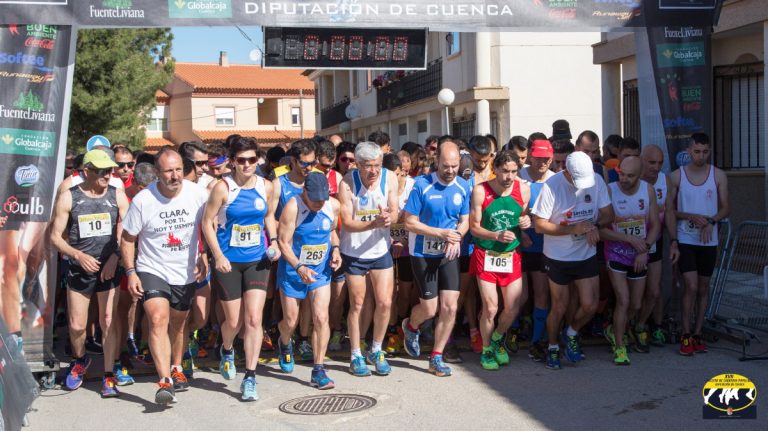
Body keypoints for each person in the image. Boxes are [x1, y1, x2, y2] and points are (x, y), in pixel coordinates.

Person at [121, 148, 209, 405]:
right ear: (158, 173)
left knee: (179, 323)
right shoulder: (143, 200)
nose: (175, 176)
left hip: (184, 269)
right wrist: (131, 272)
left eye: (178, 169)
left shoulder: (198, 194)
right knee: (158, 319)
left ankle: (176, 367)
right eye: (168, 171)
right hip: (152, 268)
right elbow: (127, 240)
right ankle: (164, 381)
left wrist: (203, 255)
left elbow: (209, 225)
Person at [202, 138, 281, 401]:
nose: (246, 165)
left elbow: (269, 217)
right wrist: (217, 255)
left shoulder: (266, 186)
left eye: (251, 159)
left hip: (257, 260)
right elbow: (207, 222)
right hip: (229, 261)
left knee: (254, 320)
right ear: (232, 161)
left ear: (258, 159)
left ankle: (250, 376)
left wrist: (276, 242)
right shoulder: (222, 188)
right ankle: (226, 349)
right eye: (240, 160)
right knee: (233, 321)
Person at [49, 150, 130, 397]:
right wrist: (78, 256)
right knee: (76, 325)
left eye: (110, 170)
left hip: (109, 267)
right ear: (87, 171)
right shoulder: (69, 197)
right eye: (102, 171)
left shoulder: (117, 194)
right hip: (79, 268)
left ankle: (108, 375)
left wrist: (116, 257)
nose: (109, 175)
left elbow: (126, 233)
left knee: (108, 320)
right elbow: (54, 237)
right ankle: (79, 360)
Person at [531, 151, 613, 370]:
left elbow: (608, 213)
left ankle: (572, 333)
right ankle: (553, 346)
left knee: (590, 304)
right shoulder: (552, 185)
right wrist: (572, 229)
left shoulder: (596, 181)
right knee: (559, 306)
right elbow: (539, 224)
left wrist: (594, 225)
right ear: (565, 170)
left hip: (585, 253)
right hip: (557, 256)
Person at [400, 141, 470, 377]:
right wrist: (440, 233)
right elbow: (409, 222)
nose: (450, 171)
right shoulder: (422, 185)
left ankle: (436, 357)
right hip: (422, 252)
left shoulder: (462, 186)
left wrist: (458, 236)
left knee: (450, 307)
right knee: (430, 309)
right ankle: (411, 326)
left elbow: (465, 219)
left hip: (448, 252)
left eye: (454, 166)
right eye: (446, 166)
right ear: (436, 162)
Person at [337, 141, 398, 376]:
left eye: (377, 165)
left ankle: (376, 348)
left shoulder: (389, 177)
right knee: (358, 304)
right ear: (358, 165)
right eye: (368, 166)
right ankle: (355, 353)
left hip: (380, 249)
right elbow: (348, 224)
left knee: (384, 302)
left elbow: (394, 210)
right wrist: (374, 222)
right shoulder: (347, 183)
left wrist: (389, 216)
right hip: (354, 252)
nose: (374, 171)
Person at [276, 172, 342, 389]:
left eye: (322, 199)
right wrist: (299, 266)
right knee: (291, 321)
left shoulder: (333, 206)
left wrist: (335, 249)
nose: (318, 203)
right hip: (294, 270)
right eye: (315, 199)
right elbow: (283, 243)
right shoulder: (292, 207)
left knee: (321, 318)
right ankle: (284, 342)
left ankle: (319, 369)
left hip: (320, 271)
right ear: (305, 191)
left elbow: (332, 232)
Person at [668, 133, 730, 355]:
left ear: (709, 151)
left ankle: (698, 332)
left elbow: (726, 208)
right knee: (691, 286)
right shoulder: (676, 176)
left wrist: (712, 221)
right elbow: (670, 211)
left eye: (704, 152)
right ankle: (685, 334)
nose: (700, 156)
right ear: (688, 151)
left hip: (708, 240)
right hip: (686, 238)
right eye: (696, 151)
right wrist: (690, 216)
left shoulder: (719, 175)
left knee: (703, 288)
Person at [469, 151, 531, 370]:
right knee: (491, 307)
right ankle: (486, 349)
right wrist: (495, 235)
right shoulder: (480, 191)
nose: (509, 176)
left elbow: (523, 216)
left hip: (511, 255)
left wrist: (525, 223)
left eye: (514, 171)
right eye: (505, 171)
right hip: (486, 254)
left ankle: (497, 339)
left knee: (513, 306)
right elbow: (474, 227)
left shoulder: (523, 189)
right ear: (495, 169)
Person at [599, 157, 660, 365]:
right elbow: (602, 230)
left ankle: (615, 328)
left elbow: (655, 225)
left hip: (639, 254)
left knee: (635, 303)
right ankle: (619, 347)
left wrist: (645, 249)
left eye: (630, 176)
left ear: (640, 175)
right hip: (616, 252)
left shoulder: (647, 190)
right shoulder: (609, 190)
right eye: (621, 173)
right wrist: (627, 238)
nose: (623, 178)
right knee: (623, 301)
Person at [636, 144, 679, 348]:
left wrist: (674, 241)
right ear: (642, 161)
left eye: (660, 163)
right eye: (652, 162)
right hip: (631, 243)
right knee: (633, 291)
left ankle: (653, 326)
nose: (656, 167)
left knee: (656, 290)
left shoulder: (665, 180)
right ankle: (629, 326)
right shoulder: (632, 179)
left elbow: (669, 211)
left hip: (656, 240)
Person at [519, 140, 555, 362]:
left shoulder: (555, 180)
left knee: (541, 294)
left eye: (546, 158)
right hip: (519, 245)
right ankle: (511, 332)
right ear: (530, 156)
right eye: (538, 157)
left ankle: (537, 341)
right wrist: (519, 230)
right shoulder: (518, 176)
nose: (542, 162)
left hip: (544, 246)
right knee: (518, 296)